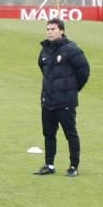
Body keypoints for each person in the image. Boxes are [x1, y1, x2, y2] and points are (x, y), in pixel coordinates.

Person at [35, 18, 90, 177]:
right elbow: (43, 69)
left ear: (62, 31)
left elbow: (84, 72)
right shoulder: (44, 50)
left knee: (70, 134)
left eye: (53, 29)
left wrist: (71, 90)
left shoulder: (72, 50)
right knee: (48, 134)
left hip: (65, 101)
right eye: (48, 29)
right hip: (48, 100)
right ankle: (49, 165)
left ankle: (73, 166)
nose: (49, 32)